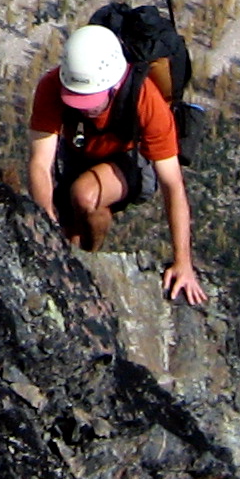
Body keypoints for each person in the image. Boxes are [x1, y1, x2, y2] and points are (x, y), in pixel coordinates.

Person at [28, 23, 207, 304]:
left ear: (114, 85)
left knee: (84, 196)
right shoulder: (52, 87)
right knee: (67, 228)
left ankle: (86, 261)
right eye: (78, 99)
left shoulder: (146, 98)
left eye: (92, 100)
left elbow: (173, 184)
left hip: (131, 163)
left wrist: (183, 263)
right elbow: (40, 164)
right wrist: (45, 225)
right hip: (80, 156)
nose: (84, 107)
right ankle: (75, 254)